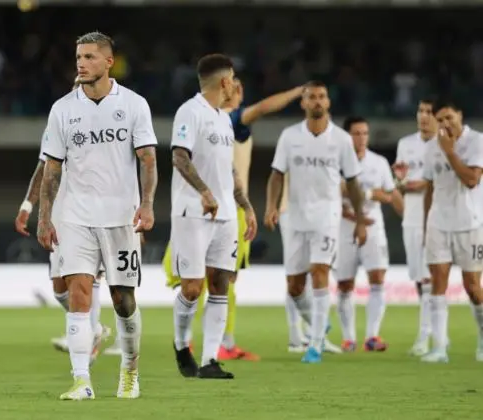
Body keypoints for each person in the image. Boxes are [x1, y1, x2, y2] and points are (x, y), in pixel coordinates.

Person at [37, 31, 158, 399]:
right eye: (78, 57)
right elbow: (52, 169)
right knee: (79, 291)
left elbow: (148, 160)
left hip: (120, 217)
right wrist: (45, 217)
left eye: (89, 57)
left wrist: (148, 203)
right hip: (75, 216)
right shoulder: (62, 109)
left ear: (108, 62)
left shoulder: (134, 105)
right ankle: (81, 380)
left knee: (124, 300)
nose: (81, 63)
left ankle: (130, 371)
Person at [162, 79, 304, 361]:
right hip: (200, 208)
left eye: (239, 86)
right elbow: (264, 107)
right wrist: (298, 90)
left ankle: (221, 344)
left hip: (232, 209)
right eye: (231, 85)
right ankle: (191, 342)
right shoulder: (223, 117)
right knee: (195, 280)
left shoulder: (230, 124)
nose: (236, 90)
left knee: (225, 280)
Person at [263, 80, 367, 364]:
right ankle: (319, 323)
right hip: (295, 217)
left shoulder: (342, 140)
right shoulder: (289, 136)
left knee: (320, 271)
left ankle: (316, 344)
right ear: (303, 103)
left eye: (322, 96)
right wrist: (271, 206)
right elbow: (276, 174)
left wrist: (359, 220)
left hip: (327, 216)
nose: (318, 101)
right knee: (295, 286)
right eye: (312, 97)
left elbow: (354, 182)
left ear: (328, 102)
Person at [14, 78, 114, 363]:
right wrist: (27, 206)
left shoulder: (106, 127)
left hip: (92, 213)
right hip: (59, 213)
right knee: (60, 289)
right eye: (75, 86)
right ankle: (90, 328)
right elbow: (43, 167)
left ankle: (88, 338)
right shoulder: (58, 121)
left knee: (88, 277)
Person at [170, 54, 257, 379]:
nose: (235, 84)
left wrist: (244, 205)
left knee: (221, 284)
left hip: (225, 215)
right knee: (192, 288)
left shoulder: (223, 118)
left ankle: (209, 361)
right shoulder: (190, 112)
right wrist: (204, 193)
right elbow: (179, 156)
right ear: (224, 81)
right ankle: (181, 346)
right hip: (192, 212)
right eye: (233, 78)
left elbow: (229, 169)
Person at [421, 98, 483, 363]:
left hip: (469, 223)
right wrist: (426, 224)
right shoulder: (430, 148)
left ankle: (482, 341)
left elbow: (471, 180)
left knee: (472, 286)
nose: (446, 123)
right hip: (438, 224)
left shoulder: (477, 141)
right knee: (438, 284)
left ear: (460, 115)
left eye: (449, 117)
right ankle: (439, 348)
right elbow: (430, 188)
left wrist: (450, 152)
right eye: (441, 119)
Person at [335, 116, 404, 352]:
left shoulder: (379, 162)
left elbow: (388, 195)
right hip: (344, 228)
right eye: (356, 133)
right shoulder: (336, 161)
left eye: (365, 133)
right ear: (347, 136)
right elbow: (335, 193)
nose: (362, 138)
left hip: (374, 228)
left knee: (377, 279)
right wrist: (367, 195)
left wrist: (364, 194)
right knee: (345, 284)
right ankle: (348, 338)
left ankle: (372, 336)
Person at [392, 98, 438, 356]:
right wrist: (401, 182)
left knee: (429, 277)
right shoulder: (405, 144)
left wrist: (416, 183)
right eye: (420, 111)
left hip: (434, 217)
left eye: (429, 112)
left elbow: (432, 182)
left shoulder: (442, 144)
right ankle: (431, 329)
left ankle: (425, 335)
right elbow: (400, 182)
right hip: (411, 216)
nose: (424, 116)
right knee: (419, 279)